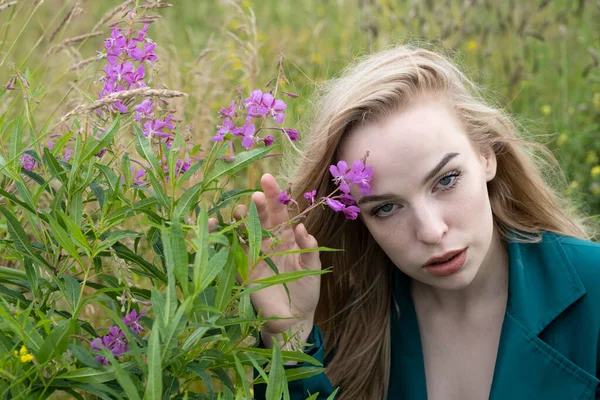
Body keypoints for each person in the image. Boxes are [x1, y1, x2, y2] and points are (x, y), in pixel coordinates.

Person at [232, 45, 600, 399]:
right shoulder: (342, 320)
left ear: (487, 155)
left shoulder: (593, 287)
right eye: (386, 208)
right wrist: (291, 340)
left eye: (447, 180)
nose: (431, 231)